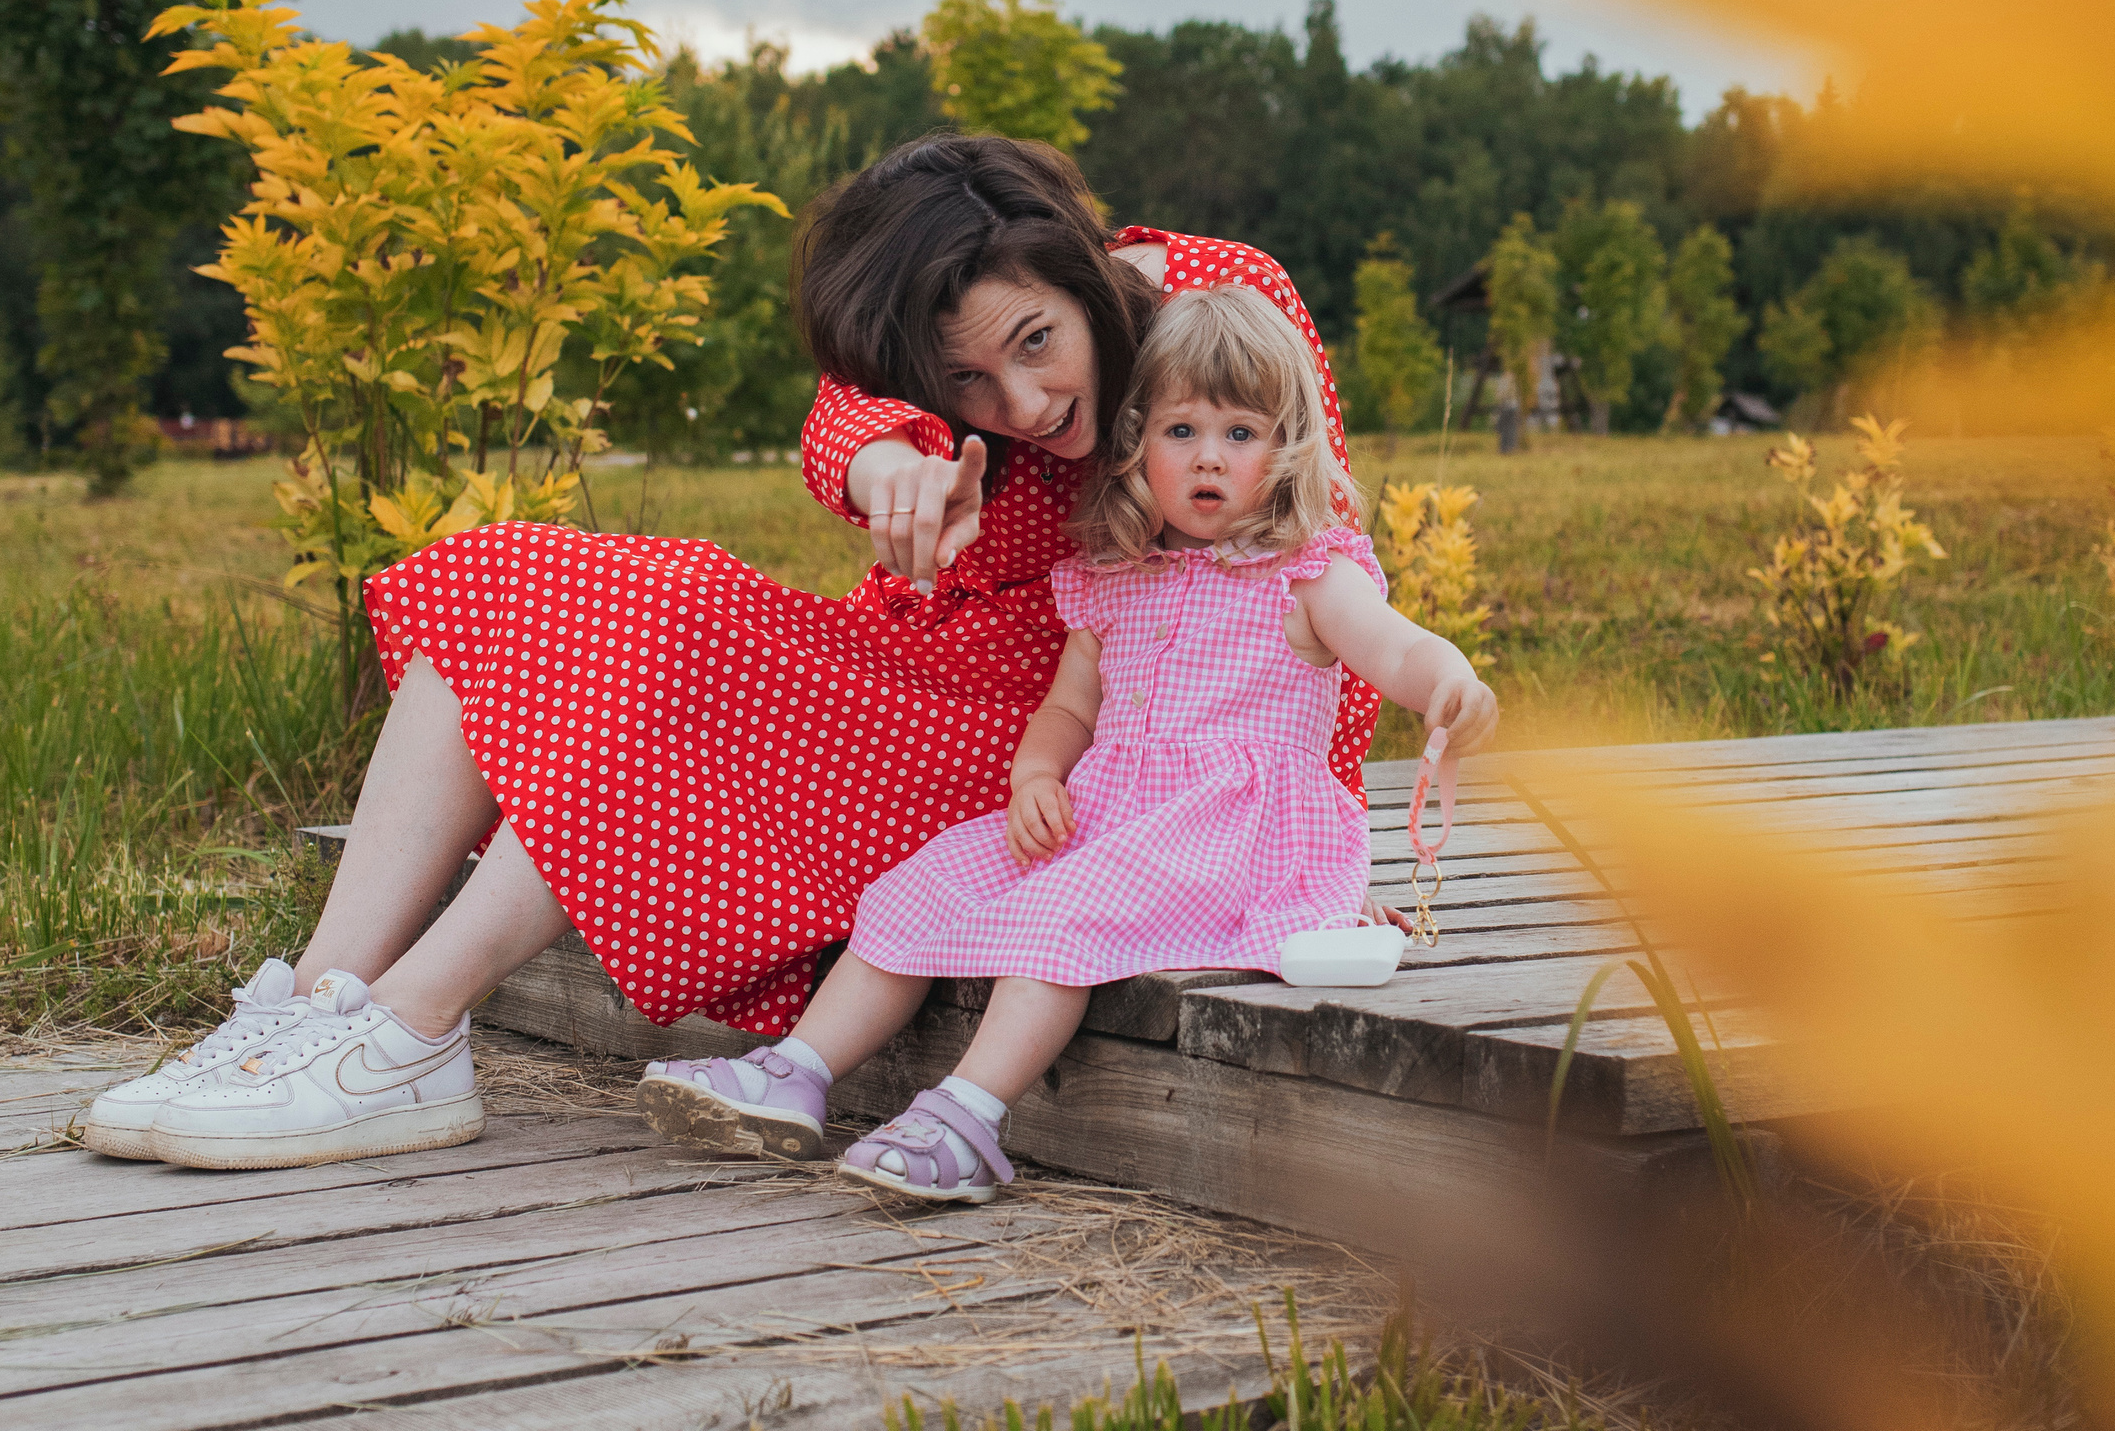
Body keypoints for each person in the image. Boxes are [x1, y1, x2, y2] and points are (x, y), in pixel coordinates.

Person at [86, 135, 1386, 1170]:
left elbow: (1328, 560)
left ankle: (413, 1035)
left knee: (677, 649)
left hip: (1037, 755)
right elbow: (846, 416)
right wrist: (890, 456)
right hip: (895, 678)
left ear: (1082, 273)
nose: (1024, 405)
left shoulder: (1223, 303)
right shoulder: (933, 401)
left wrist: (1313, 844)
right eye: (968, 384)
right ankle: (321, 1006)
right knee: (506, 573)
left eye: (1037, 344)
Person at [635, 286, 1497, 1201]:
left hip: (1233, 837)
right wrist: (1036, 775)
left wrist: (1446, 682)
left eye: (1240, 435)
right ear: (1137, 443)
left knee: (1060, 916)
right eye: (1181, 432)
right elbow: (1070, 711)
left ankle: (968, 1115)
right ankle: (796, 1073)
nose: (1209, 458)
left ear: (1285, 451)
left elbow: (1392, 645)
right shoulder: (1110, 580)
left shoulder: (1308, 574)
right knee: (921, 885)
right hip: (1112, 818)